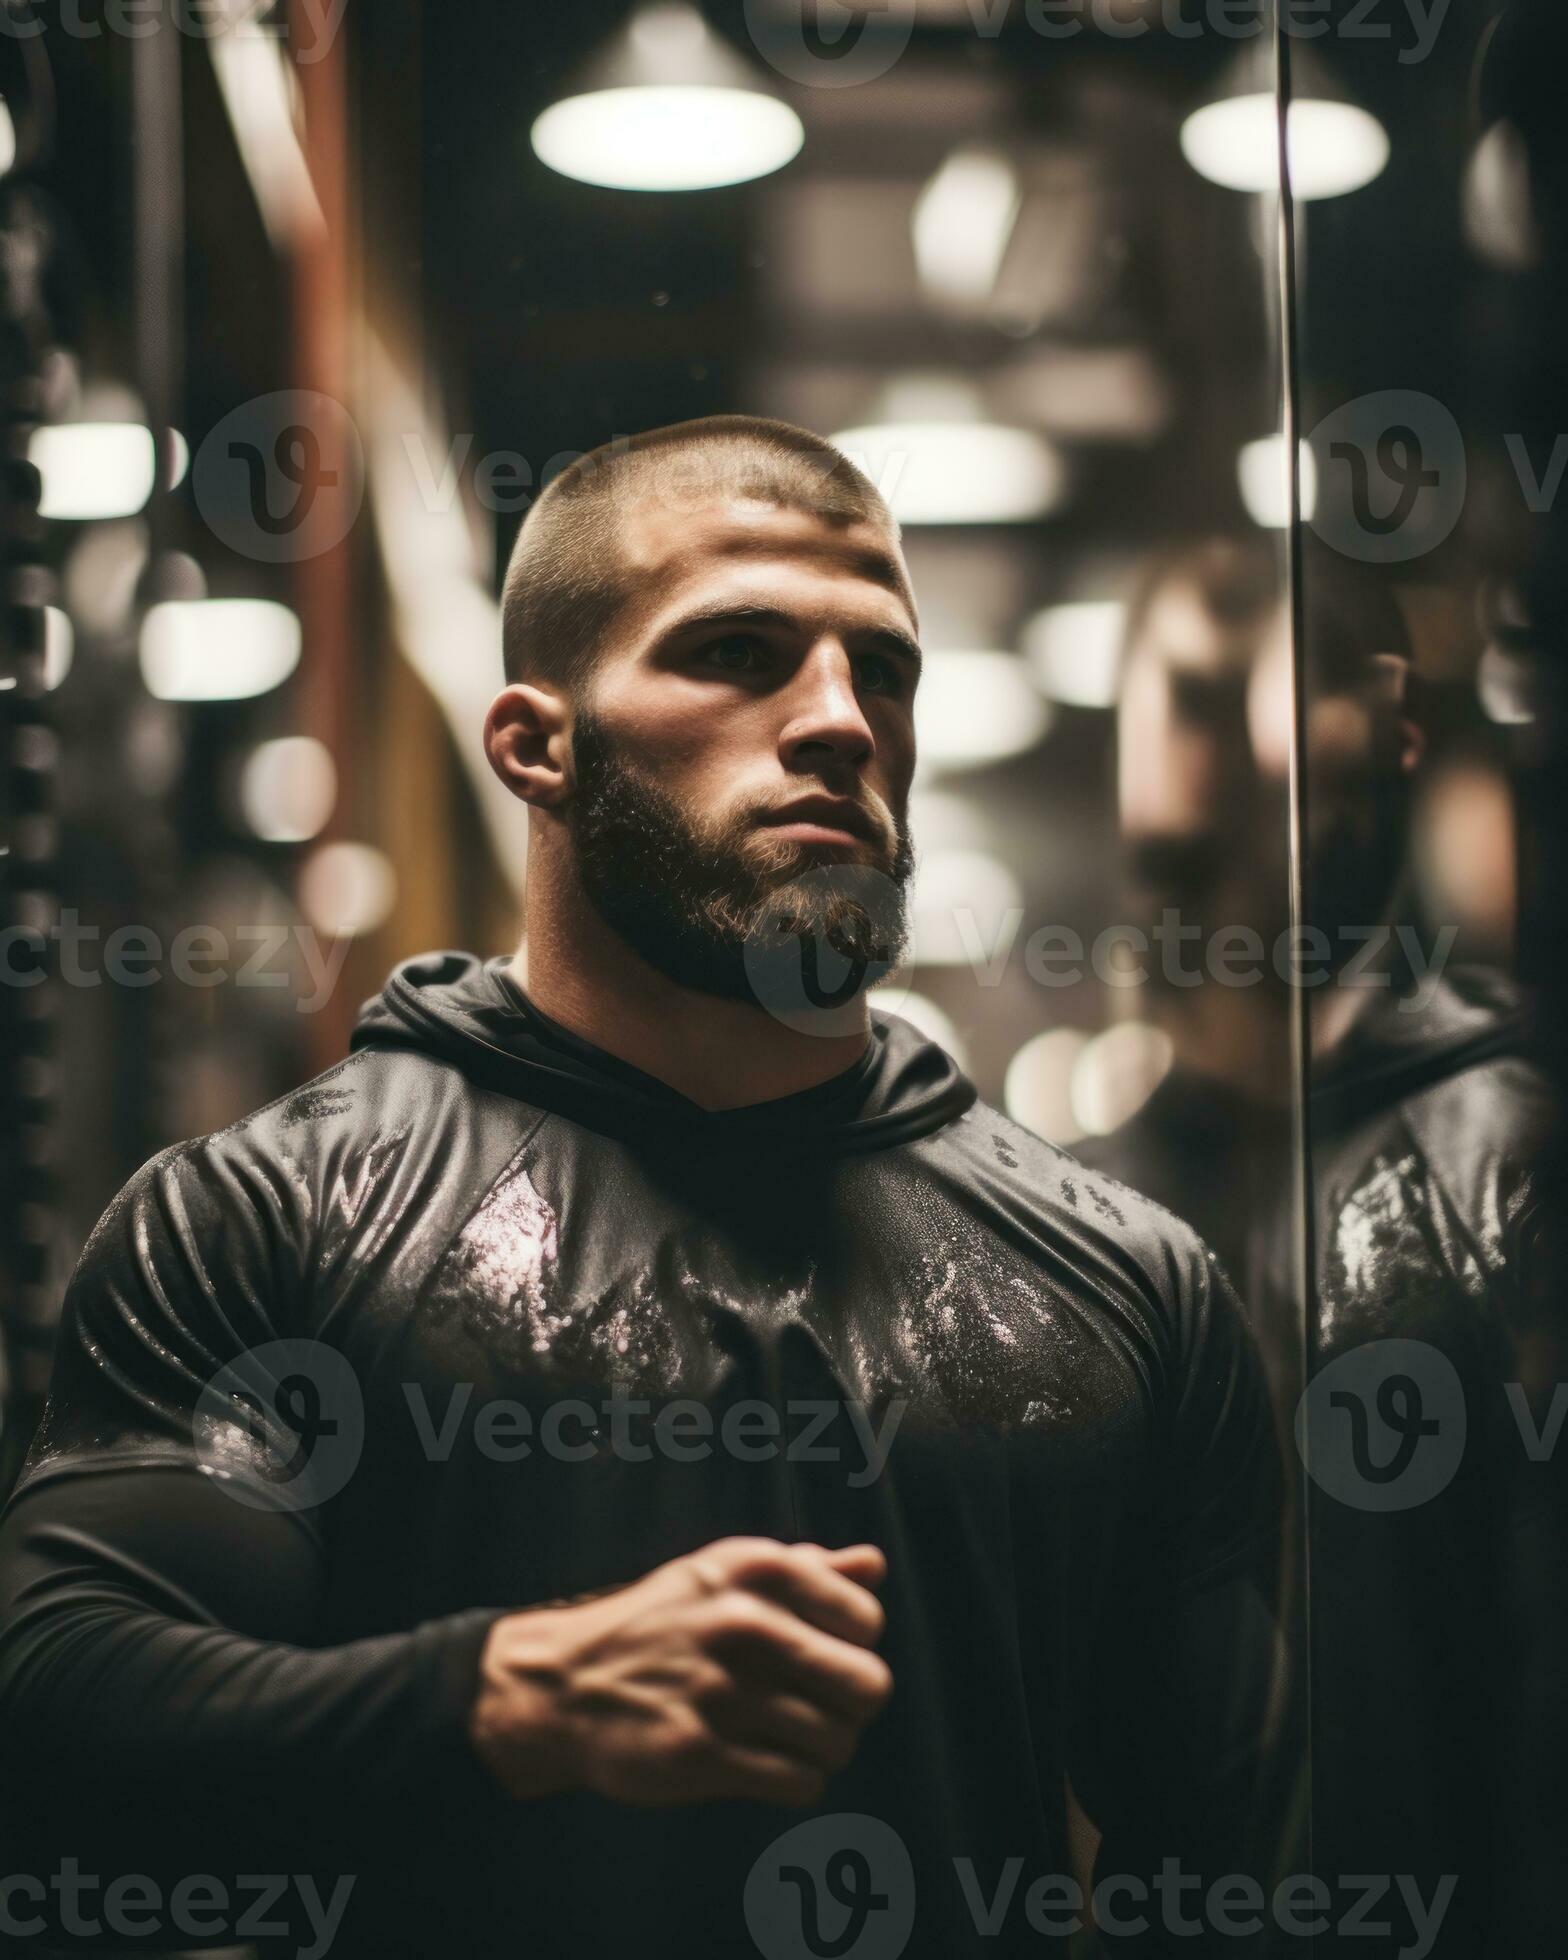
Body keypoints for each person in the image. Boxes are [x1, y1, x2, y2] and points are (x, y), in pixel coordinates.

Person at [0, 420, 1282, 1958]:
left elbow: (1225, 1870)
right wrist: (503, 1698)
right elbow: (60, 1707)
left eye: (882, 669)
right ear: (537, 744)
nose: (839, 721)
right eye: (740, 651)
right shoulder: (273, 1217)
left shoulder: (1125, 1283)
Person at [1085, 537, 1549, 1958]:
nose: (1226, 757)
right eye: (1189, 697)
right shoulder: (1082, 1204)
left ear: (1391, 747)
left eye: (1264, 696)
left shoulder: (1505, 1156)